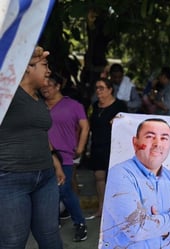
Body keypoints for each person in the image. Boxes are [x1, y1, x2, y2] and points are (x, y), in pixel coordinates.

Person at [0, 46, 64, 248]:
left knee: (50, 237)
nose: (49, 71)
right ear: (27, 67)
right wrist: (20, 51)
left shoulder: (38, 100)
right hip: (11, 179)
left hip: (45, 177)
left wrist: (55, 161)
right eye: (44, 65)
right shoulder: (7, 94)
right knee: (13, 242)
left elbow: (41, 134)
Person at [100, 118, 170, 248]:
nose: (157, 144)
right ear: (135, 142)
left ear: (169, 145)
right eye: (150, 136)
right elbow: (136, 230)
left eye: (164, 138)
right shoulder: (120, 174)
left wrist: (164, 230)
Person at [40, 72, 89, 242]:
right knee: (48, 190)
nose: (45, 88)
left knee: (63, 190)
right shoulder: (39, 105)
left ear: (58, 86)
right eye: (43, 86)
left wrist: (81, 147)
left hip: (65, 155)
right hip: (42, 155)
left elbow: (85, 125)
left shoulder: (73, 105)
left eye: (49, 85)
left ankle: (80, 224)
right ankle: (53, 222)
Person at [88, 78, 128, 219]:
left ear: (110, 89)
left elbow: (126, 125)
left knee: (114, 179)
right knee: (99, 177)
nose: (98, 90)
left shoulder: (120, 106)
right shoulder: (95, 105)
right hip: (97, 145)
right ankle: (102, 209)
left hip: (113, 147)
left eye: (101, 87)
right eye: (97, 88)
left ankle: (116, 211)